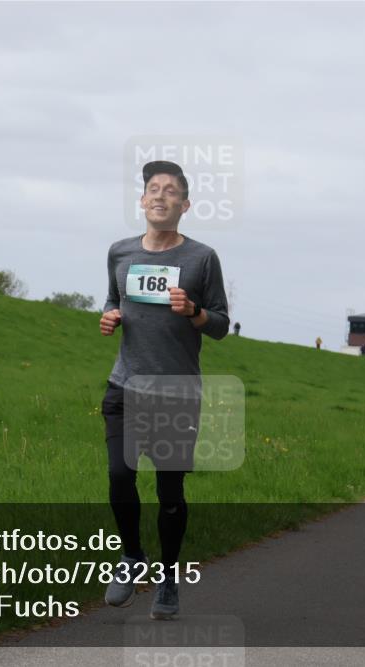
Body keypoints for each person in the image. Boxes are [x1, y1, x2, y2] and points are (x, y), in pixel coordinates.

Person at [99, 160, 230, 618]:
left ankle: (169, 578)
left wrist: (193, 311)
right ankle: (132, 558)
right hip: (124, 386)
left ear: (185, 204)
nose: (160, 196)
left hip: (175, 393)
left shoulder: (201, 258)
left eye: (170, 191)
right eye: (152, 189)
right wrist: (110, 316)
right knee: (120, 476)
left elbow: (220, 325)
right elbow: (114, 299)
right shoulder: (120, 252)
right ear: (142, 201)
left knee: (169, 493)